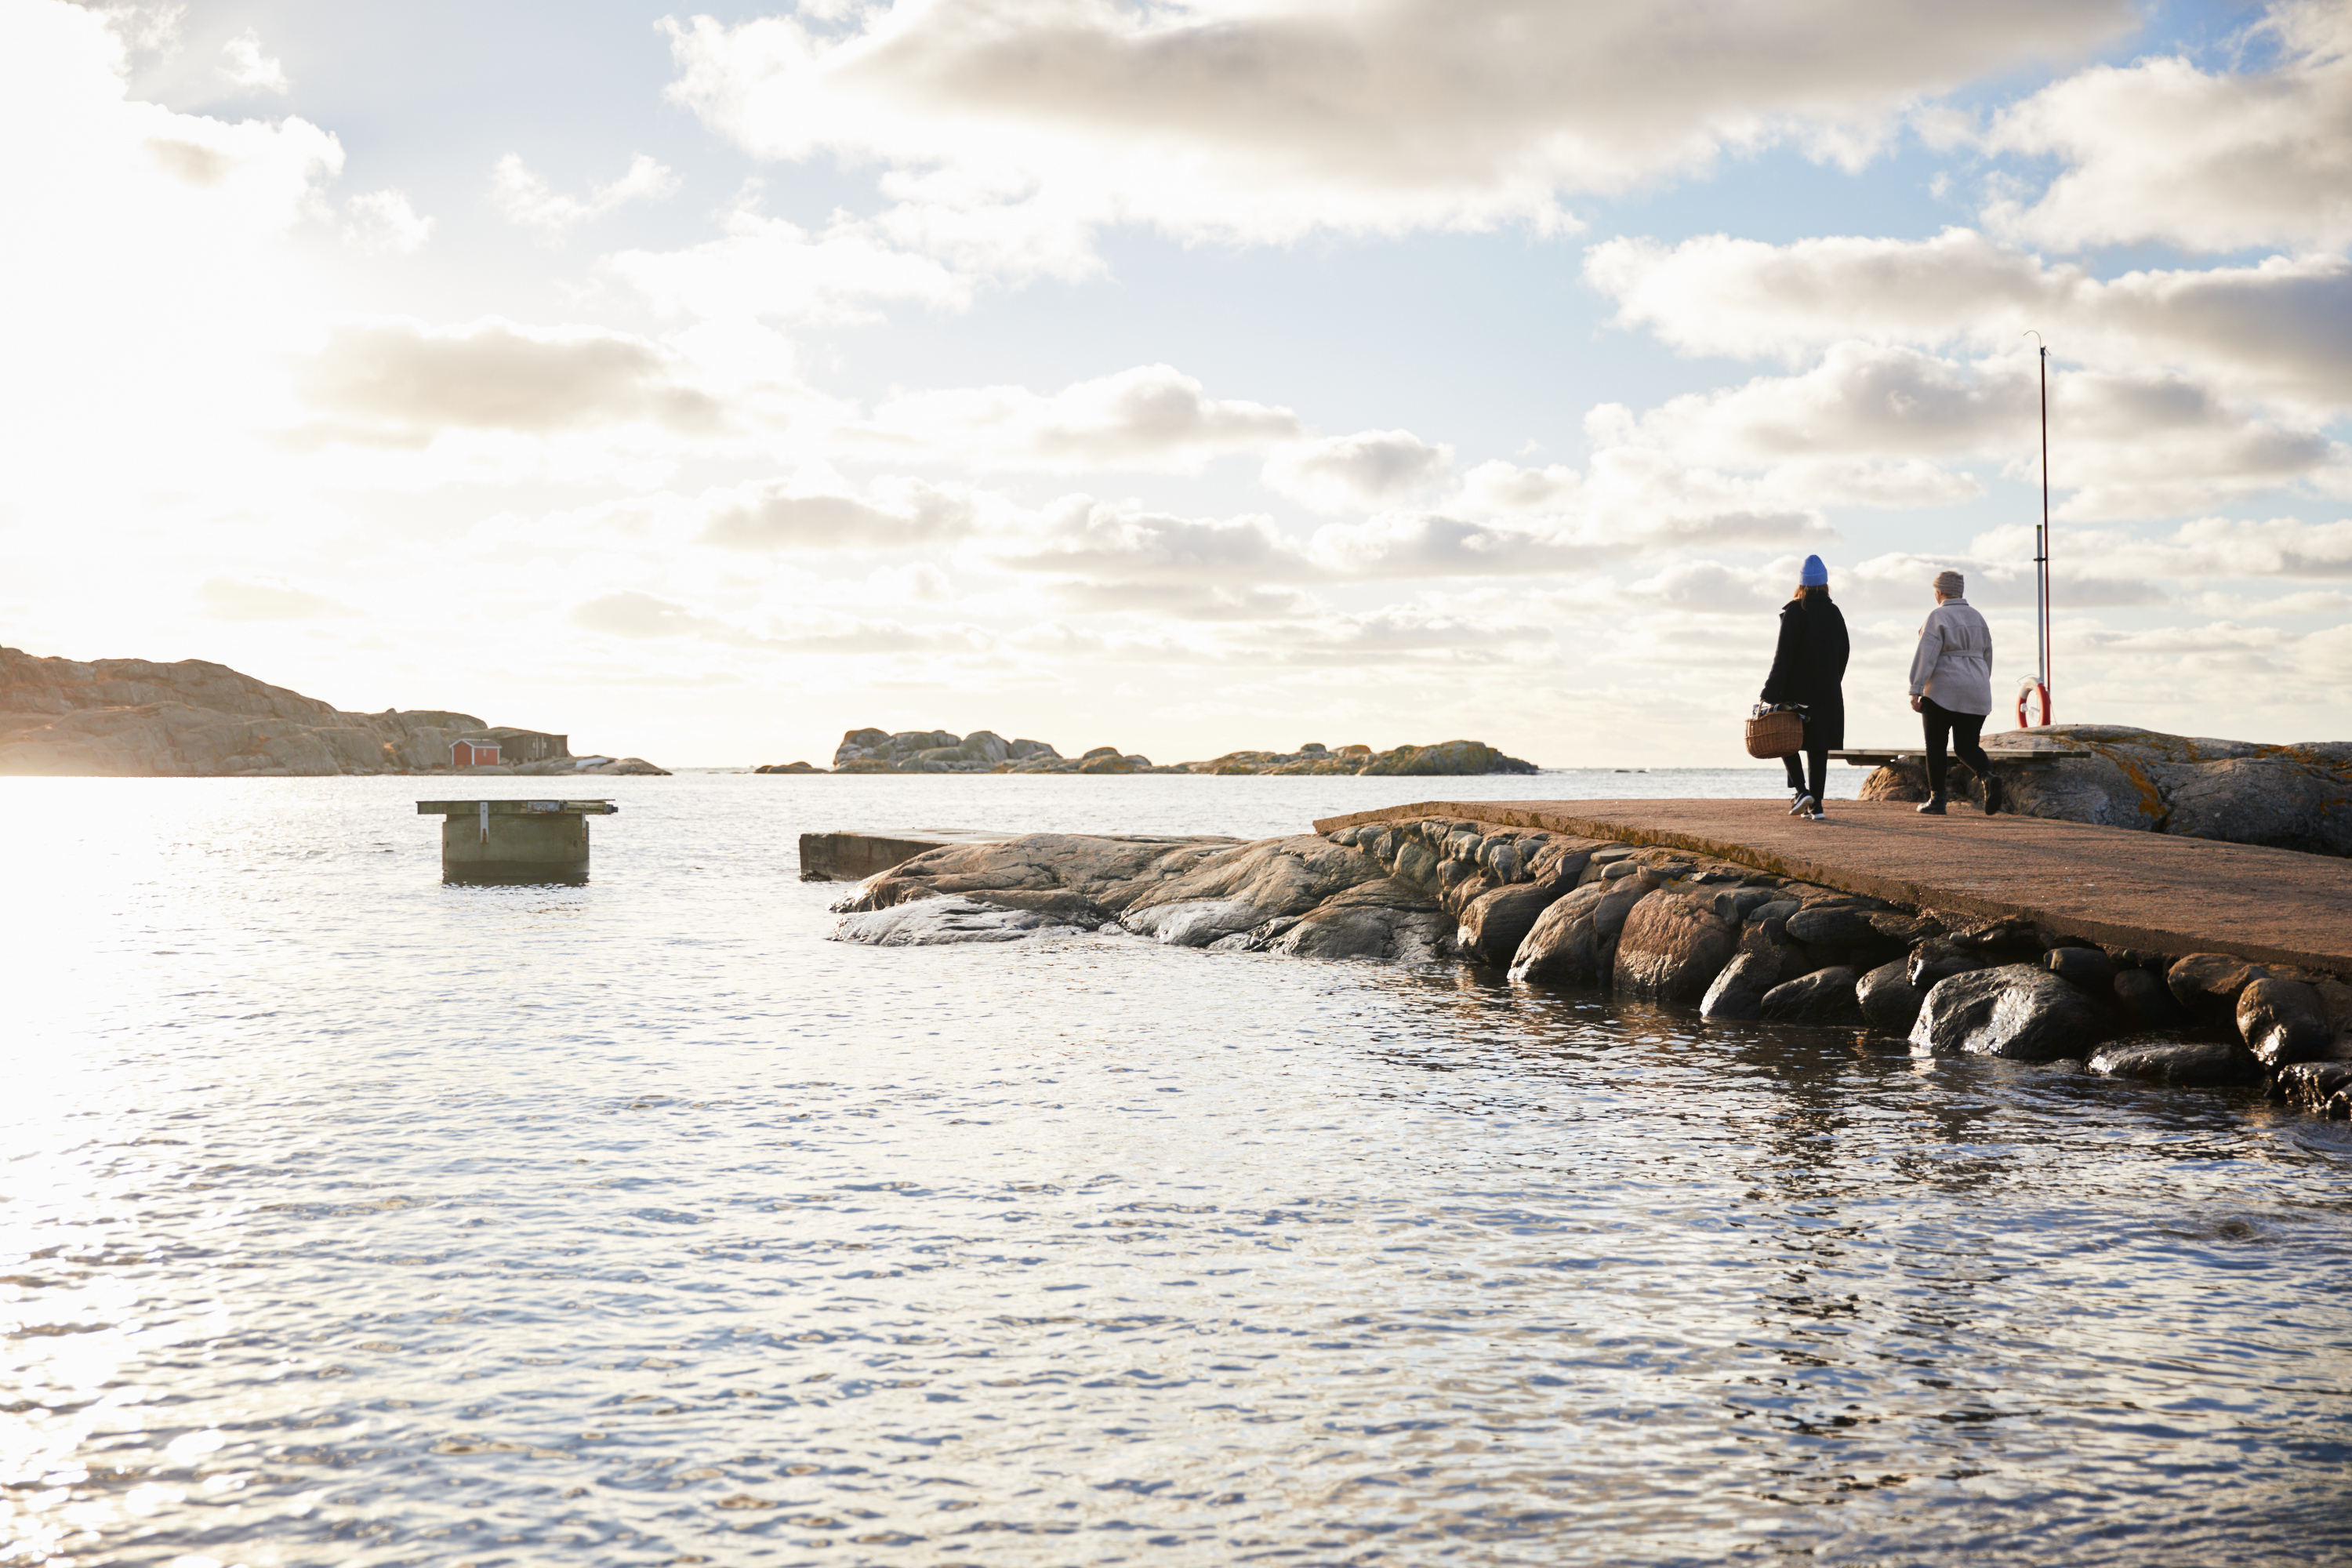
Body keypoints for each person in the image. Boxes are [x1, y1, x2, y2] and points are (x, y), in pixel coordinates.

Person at [1761, 554, 1849, 820]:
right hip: (1827, 691)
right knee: (1818, 747)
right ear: (1825, 584)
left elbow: (1783, 655)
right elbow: (1844, 651)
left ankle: (1801, 791)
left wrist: (1770, 692)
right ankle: (1817, 806)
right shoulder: (1834, 612)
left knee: (1784, 741)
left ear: (1802, 583)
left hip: (1796, 692)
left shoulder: (1796, 611)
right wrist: (1834, 680)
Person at [1907, 569, 2001, 816]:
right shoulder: (1978, 618)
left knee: (1936, 745)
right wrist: (1979, 682)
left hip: (1943, 690)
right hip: (1977, 687)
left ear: (1939, 592)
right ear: (1960, 591)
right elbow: (1988, 655)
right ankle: (1988, 776)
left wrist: (1916, 688)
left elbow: (1926, 656)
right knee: (1967, 746)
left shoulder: (1937, 617)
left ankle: (1937, 800)